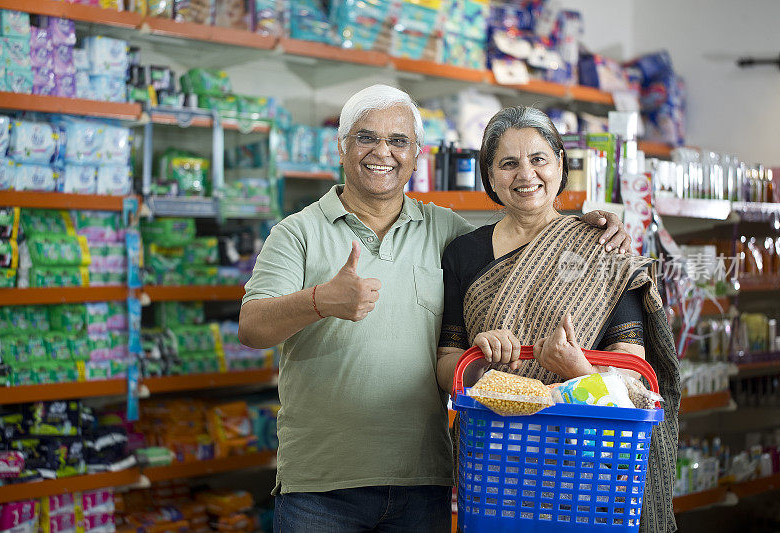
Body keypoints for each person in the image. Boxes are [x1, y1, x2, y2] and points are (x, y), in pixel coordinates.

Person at [238, 84, 633, 533]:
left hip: (423, 481)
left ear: (417, 153)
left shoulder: (447, 232)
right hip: (322, 486)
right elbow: (251, 328)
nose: (383, 152)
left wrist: (599, 225)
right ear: (342, 146)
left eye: (398, 141)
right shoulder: (297, 233)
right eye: (367, 137)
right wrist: (319, 301)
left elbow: (520, 244)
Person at [436, 106, 680, 533]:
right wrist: (481, 359)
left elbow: (634, 379)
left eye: (538, 159)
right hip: (499, 464)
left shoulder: (601, 247)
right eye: (508, 163)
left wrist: (576, 369)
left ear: (561, 165)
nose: (525, 174)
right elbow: (446, 367)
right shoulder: (463, 254)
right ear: (490, 177)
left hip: (588, 465)